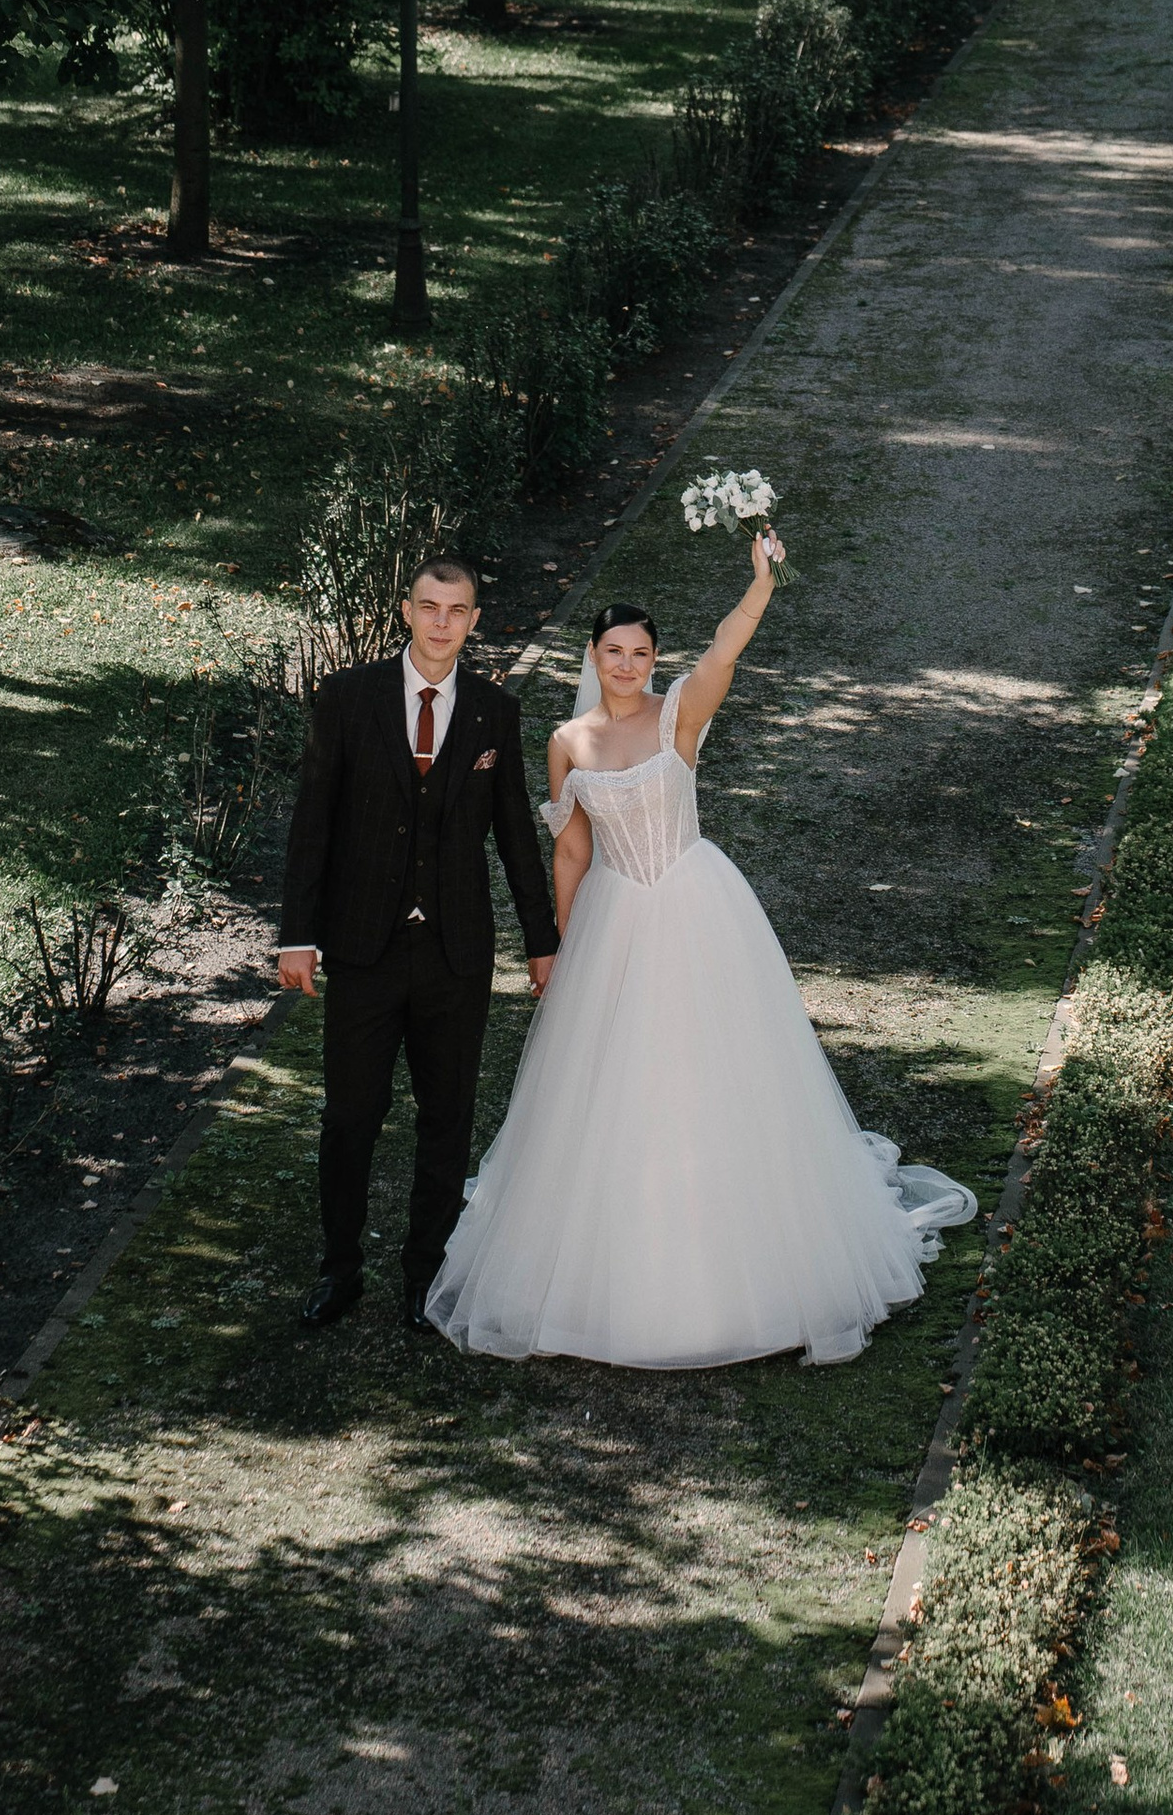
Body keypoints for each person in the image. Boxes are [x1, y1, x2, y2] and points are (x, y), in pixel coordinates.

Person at [424, 525, 974, 1368]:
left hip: (694, 903)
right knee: (611, 1080)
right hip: (612, 919)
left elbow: (727, 648)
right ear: (594, 656)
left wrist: (760, 580)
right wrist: (559, 947)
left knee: (718, 1067)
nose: (628, 664)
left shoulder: (679, 715)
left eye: (641, 652)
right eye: (614, 651)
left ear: (653, 659)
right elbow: (570, 849)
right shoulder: (568, 744)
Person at [276, 555, 558, 1331]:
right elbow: (314, 825)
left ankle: (424, 1277)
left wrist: (544, 943)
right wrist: (297, 936)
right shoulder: (348, 697)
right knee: (349, 1119)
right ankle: (339, 1271)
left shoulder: (495, 713)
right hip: (362, 949)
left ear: (473, 619)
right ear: (407, 610)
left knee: (447, 1118)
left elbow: (514, 840)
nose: (441, 622)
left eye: (456, 609)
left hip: (455, 954)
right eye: (428, 606)